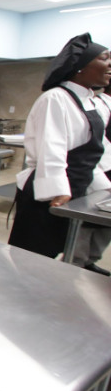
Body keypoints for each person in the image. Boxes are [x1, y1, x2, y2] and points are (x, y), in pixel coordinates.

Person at [8, 33, 111, 258]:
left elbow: (94, 153)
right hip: (48, 192)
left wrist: (103, 188)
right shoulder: (55, 98)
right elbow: (51, 150)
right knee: (33, 254)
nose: (110, 64)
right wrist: (59, 191)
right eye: (104, 58)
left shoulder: (93, 102)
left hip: (77, 188)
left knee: (61, 252)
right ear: (81, 66)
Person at [73, 82, 111, 275]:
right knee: (88, 219)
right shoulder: (96, 104)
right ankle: (76, 261)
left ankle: (90, 259)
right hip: (99, 170)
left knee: (106, 223)